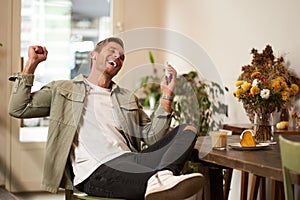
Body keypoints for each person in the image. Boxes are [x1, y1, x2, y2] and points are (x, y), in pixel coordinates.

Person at [8, 37, 204, 200]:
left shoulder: (125, 97)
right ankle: (159, 181)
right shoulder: (63, 89)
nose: (117, 57)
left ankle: (162, 178)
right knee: (162, 186)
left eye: (121, 56)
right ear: (93, 56)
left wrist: (167, 96)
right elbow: (18, 109)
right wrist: (31, 64)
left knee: (188, 129)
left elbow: (152, 137)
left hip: (132, 159)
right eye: (111, 51)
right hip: (96, 171)